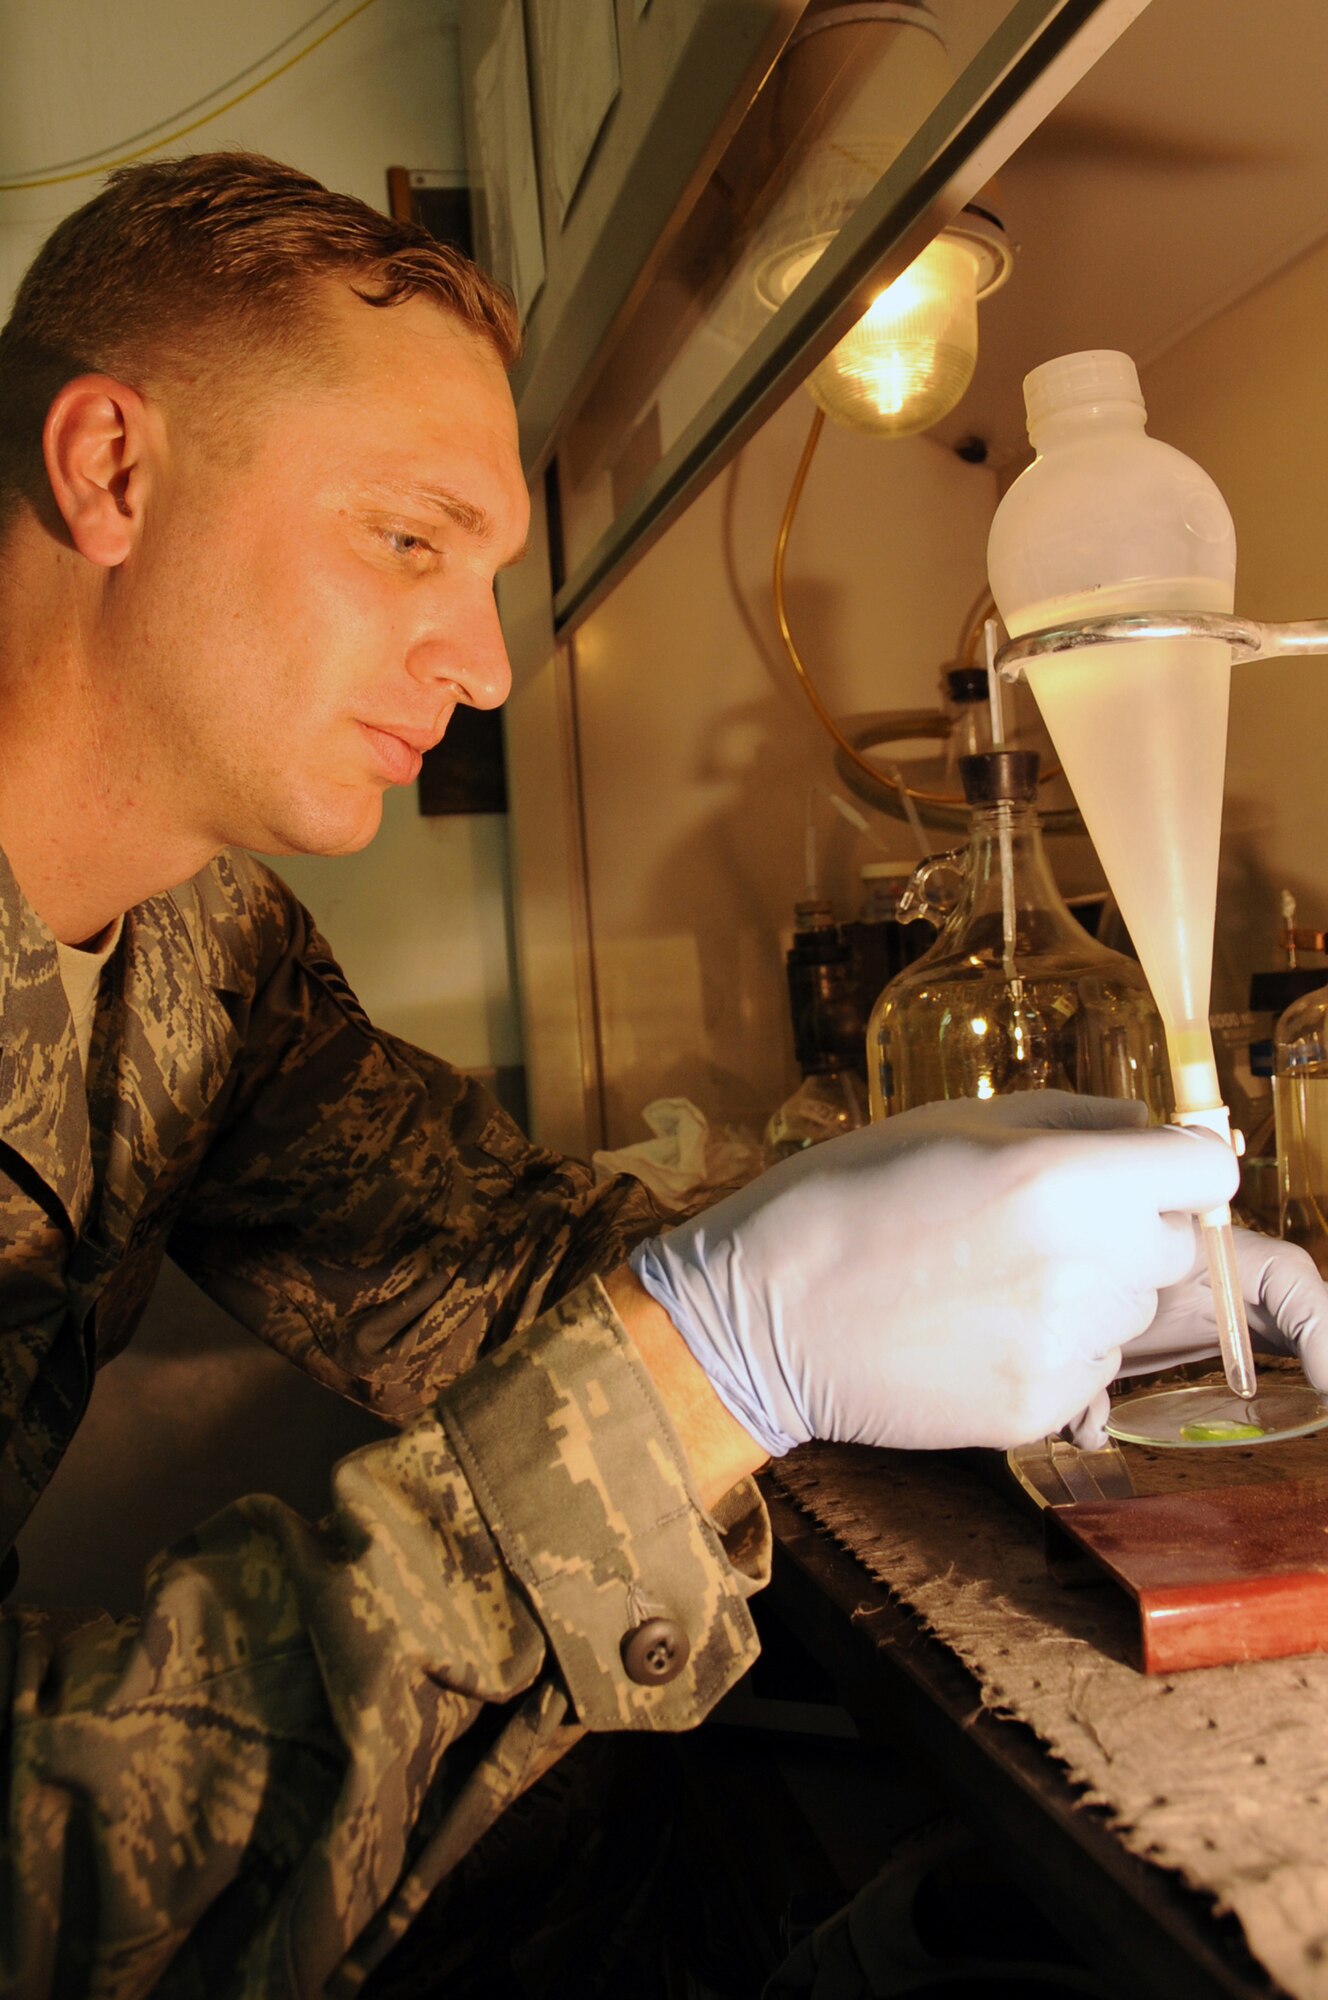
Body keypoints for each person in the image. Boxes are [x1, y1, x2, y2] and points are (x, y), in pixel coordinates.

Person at [0, 150, 1323, 1997]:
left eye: (487, 574)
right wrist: (722, 1349)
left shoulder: (206, 951)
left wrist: (901, 1248)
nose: (479, 663)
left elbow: (484, 1274)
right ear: (111, 470)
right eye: (407, 538)